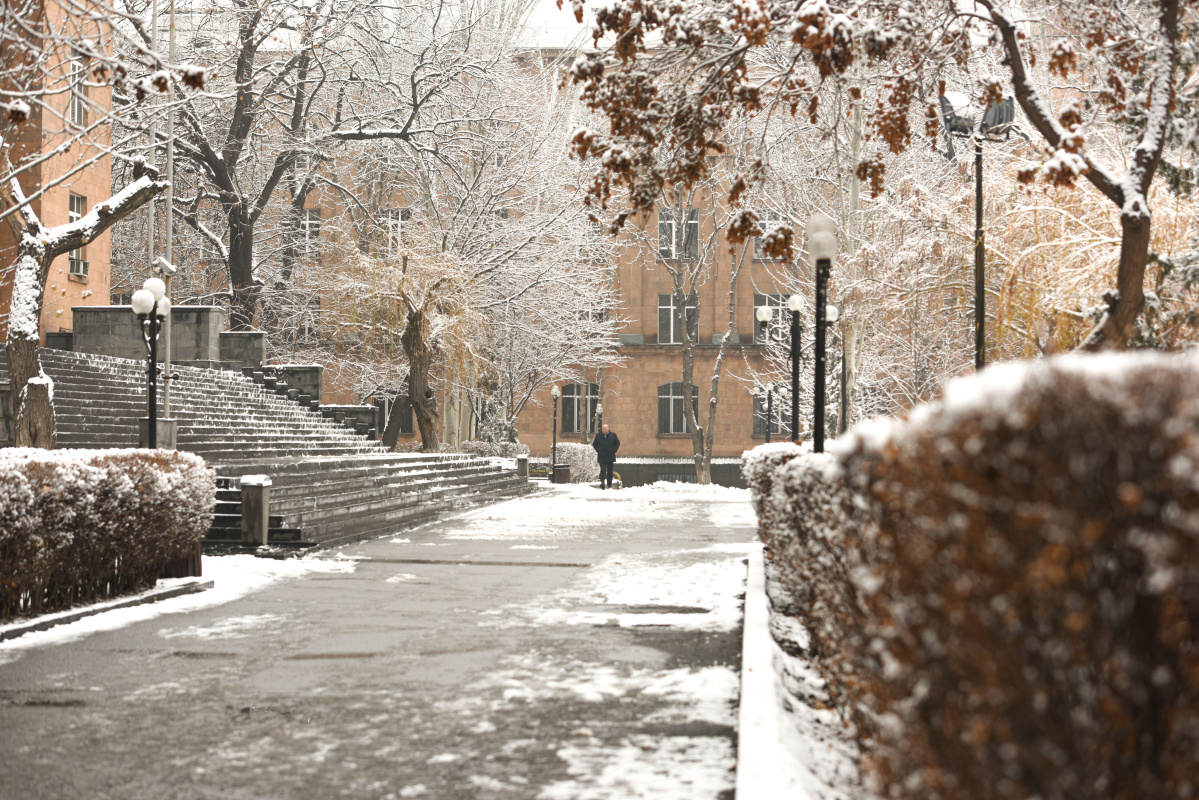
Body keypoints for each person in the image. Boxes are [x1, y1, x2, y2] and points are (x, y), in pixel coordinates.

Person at [592, 422, 620, 489]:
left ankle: (609, 484)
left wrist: (614, 450)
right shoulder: (598, 436)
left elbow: (617, 443)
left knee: (610, 471)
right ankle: (602, 483)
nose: (604, 430)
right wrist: (598, 450)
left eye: (605, 429)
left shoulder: (613, 435)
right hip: (602, 456)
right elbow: (594, 444)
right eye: (603, 429)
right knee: (603, 470)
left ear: (608, 429)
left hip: (610, 456)